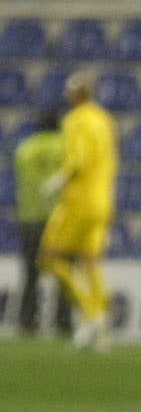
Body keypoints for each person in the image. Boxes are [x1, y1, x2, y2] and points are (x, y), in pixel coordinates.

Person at [38, 70, 118, 351]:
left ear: (76, 95)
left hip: (79, 200)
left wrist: (58, 180)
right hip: (103, 200)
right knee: (90, 262)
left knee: (49, 256)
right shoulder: (105, 119)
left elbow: (78, 159)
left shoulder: (75, 120)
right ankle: (101, 324)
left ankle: (89, 311)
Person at [12, 111, 70, 335]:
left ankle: (27, 322)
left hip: (30, 217)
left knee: (30, 274)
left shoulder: (25, 148)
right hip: (59, 219)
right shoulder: (64, 146)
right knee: (63, 272)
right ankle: (63, 322)